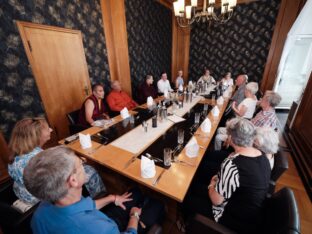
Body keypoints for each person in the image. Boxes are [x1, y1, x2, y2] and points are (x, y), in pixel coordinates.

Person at [23, 146, 164, 234]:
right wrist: (134, 216)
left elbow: (84, 206)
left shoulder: (40, 213)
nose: (84, 165)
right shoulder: (98, 229)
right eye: (81, 163)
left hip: (102, 220)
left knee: (136, 192)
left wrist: (112, 198)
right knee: (157, 204)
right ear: (73, 180)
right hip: (114, 228)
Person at [184, 118, 271, 234]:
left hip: (234, 217)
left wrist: (212, 184)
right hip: (252, 214)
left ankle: (186, 225)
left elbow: (216, 201)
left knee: (186, 198)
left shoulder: (232, 165)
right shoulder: (262, 155)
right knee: (195, 187)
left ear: (231, 138)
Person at [8, 118, 106, 205]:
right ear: (36, 136)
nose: (51, 130)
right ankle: (99, 200)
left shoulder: (16, 153)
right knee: (90, 171)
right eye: (47, 129)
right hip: (39, 199)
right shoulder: (37, 159)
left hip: (22, 193)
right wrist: (79, 162)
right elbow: (58, 177)